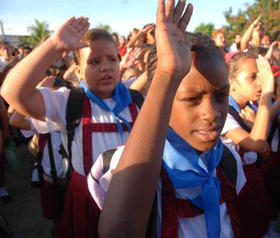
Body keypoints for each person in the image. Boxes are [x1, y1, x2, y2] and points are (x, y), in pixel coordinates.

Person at [90, 1, 246, 237]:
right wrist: (168, 73)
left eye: (222, 96)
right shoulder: (127, 164)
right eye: (192, 99)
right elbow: (118, 230)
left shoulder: (228, 160)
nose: (212, 113)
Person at [1, 17, 141, 238]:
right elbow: (12, 92)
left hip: (136, 197)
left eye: (112, 59)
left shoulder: (137, 97)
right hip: (88, 201)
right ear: (77, 70)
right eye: (94, 62)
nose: (105, 66)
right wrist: (54, 46)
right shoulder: (68, 102)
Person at [222, 51, 278, 237]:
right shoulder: (223, 112)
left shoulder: (250, 107)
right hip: (239, 193)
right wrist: (268, 92)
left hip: (256, 190)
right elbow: (258, 143)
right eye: (252, 77)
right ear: (231, 82)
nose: (260, 83)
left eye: (261, 77)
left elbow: (263, 131)